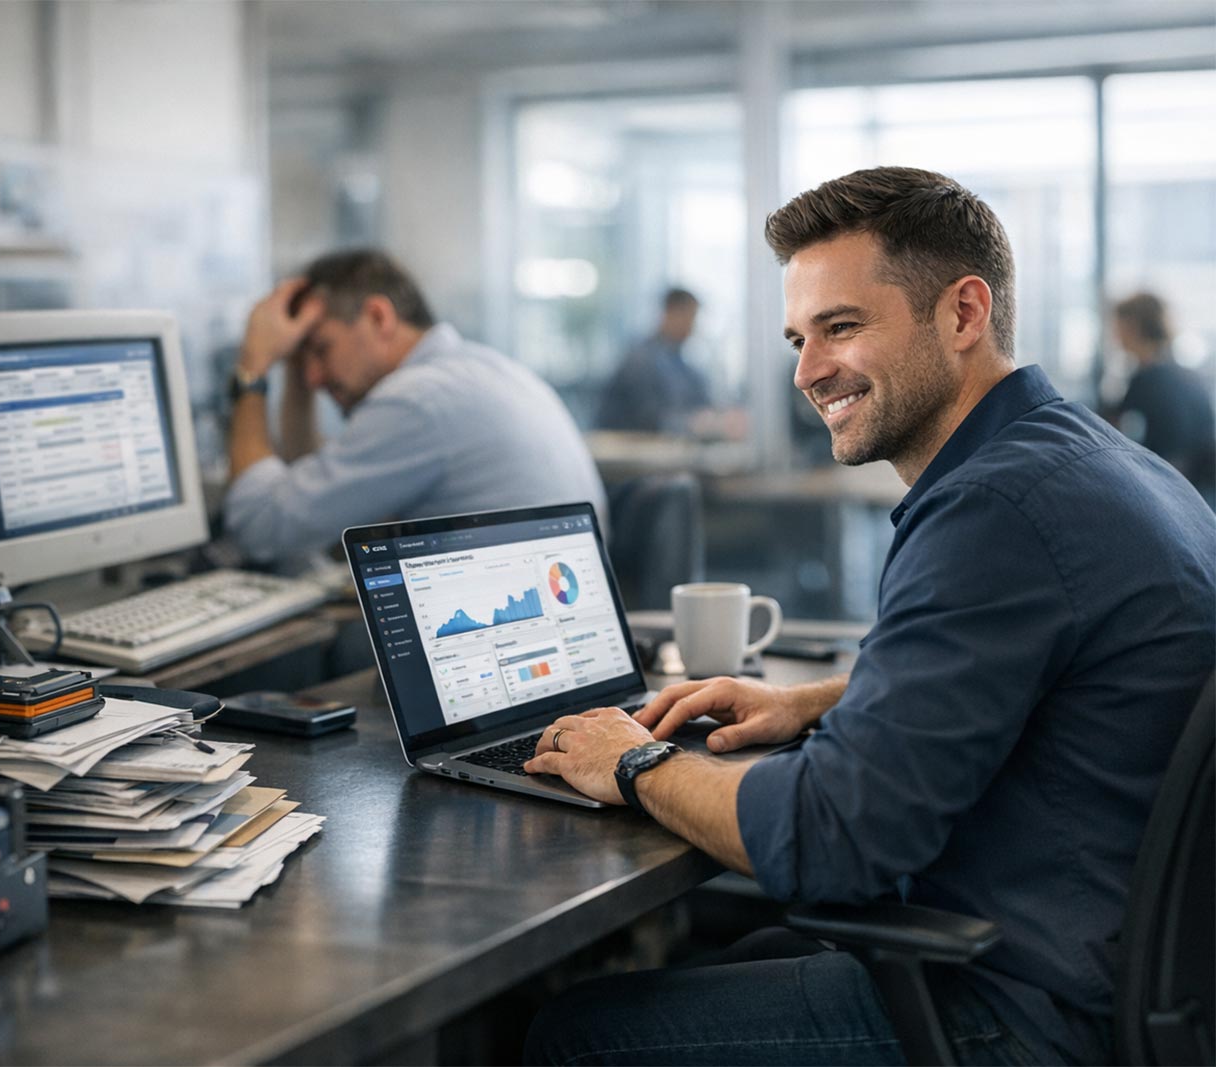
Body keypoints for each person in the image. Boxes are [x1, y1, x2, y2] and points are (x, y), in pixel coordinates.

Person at [521, 167, 1216, 1065]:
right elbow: (1061, 666)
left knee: (572, 1035)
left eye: (841, 327)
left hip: (1021, 1010)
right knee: (747, 951)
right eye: (797, 337)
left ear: (964, 314)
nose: (808, 371)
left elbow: (834, 837)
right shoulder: (1096, 460)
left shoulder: (992, 510)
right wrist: (816, 701)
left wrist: (636, 760)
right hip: (1113, 965)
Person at [223, 248, 605, 563]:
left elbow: (260, 526)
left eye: (322, 349)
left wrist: (252, 369)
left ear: (378, 317)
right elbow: (315, 501)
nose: (313, 378)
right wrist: (295, 372)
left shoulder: (416, 402)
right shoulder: (485, 369)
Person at [1110, 291, 1215, 499]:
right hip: (1200, 493)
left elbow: (1111, 433)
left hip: (1172, 489)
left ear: (1132, 326)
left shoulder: (1147, 380)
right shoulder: (1185, 374)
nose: (1114, 334)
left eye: (1117, 325)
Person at [596, 288, 712, 433]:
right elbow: (650, 418)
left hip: (661, 448)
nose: (693, 327)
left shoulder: (680, 364)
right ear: (671, 313)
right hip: (630, 448)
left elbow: (701, 401)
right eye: (690, 317)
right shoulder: (641, 360)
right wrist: (692, 423)